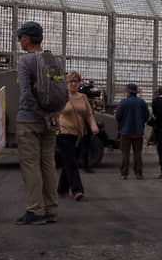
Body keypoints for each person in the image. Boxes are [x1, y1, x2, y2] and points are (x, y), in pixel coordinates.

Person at [15, 21, 67, 225]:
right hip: (50, 121)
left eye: (20, 37)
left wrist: (40, 113)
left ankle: (35, 210)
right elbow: (64, 93)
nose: (19, 40)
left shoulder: (24, 61)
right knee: (48, 164)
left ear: (27, 39)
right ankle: (50, 209)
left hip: (29, 120)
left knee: (30, 165)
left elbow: (27, 94)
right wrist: (54, 114)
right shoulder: (53, 59)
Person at [57, 71, 99, 201]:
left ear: (80, 82)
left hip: (79, 135)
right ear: (66, 83)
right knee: (72, 162)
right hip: (63, 133)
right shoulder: (61, 97)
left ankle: (62, 190)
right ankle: (77, 190)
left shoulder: (83, 97)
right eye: (71, 81)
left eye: (76, 81)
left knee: (69, 162)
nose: (74, 83)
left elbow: (89, 114)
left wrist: (93, 125)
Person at [115, 82, 150, 180]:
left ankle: (124, 173)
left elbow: (117, 116)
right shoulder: (142, 102)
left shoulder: (123, 102)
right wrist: (140, 122)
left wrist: (122, 123)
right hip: (138, 132)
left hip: (125, 132)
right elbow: (147, 116)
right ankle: (138, 173)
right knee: (137, 153)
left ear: (128, 92)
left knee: (125, 153)